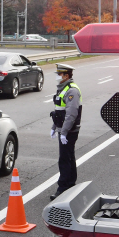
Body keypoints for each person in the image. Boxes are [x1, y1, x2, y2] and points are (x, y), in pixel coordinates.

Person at [49, 64, 82, 201]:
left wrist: (64, 132)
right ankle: (70, 184)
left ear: (66, 76)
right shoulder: (63, 88)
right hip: (63, 128)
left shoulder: (71, 91)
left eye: (59, 74)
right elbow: (59, 111)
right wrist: (54, 127)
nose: (57, 76)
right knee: (68, 157)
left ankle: (63, 188)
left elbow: (71, 114)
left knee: (64, 159)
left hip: (69, 130)